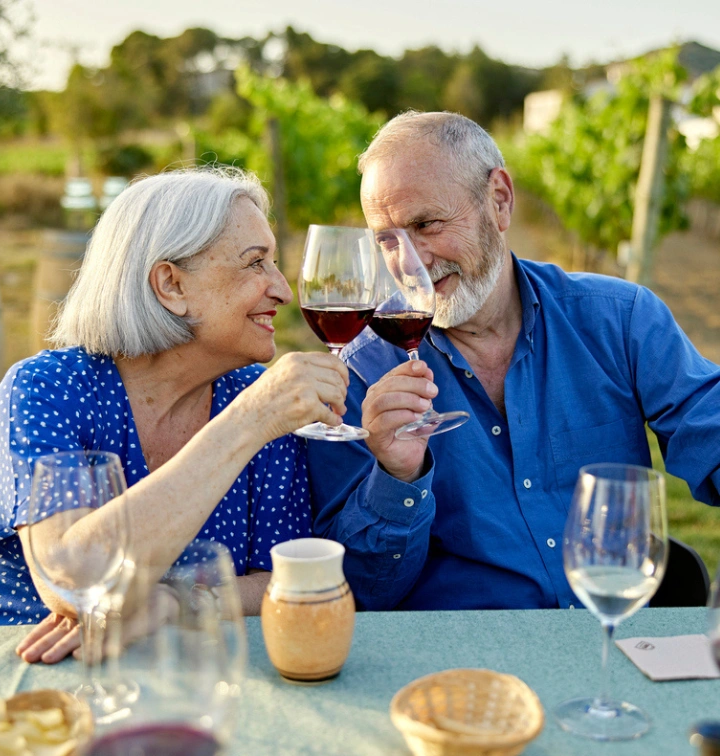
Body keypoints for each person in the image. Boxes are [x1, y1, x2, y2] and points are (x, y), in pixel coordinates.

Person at [0, 166, 350, 663]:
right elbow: (73, 579)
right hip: (3, 672)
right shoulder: (49, 390)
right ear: (170, 285)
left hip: (171, 676)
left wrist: (170, 602)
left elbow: (285, 577)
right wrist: (247, 422)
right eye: (255, 263)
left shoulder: (259, 398)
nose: (283, 289)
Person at [307, 110, 720, 611]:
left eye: (426, 225)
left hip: (613, 637)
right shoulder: (359, 377)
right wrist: (396, 479)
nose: (409, 262)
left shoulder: (620, 321)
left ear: (499, 200)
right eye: (387, 239)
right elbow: (364, 592)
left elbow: (711, 433)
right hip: (463, 667)